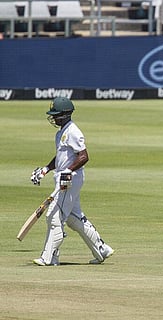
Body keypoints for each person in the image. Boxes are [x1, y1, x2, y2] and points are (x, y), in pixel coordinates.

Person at [30, 97, 114, 266]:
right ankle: (101, 248)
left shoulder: (73, 131)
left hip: (69, 179)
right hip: (64, 177)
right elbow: (62, 156)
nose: (53, 118)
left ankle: (50, 257)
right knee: (74, 218)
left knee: (54, 216)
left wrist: (68, 171)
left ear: (66, 115)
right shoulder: (61, 132)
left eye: (56, 115)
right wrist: (46, 169)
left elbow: (84, 156)